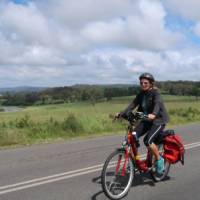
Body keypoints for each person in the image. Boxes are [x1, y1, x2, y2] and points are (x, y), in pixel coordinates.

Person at [117, 72, 169, 174]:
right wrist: (122, 113)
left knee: (148, 141)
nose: (143, 85)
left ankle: (159, 159)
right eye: (141, 83)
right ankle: (135, 164)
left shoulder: (155, 93)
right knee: (132, 137)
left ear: (151, 84)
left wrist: (153, 114)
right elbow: (132, 105)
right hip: (146, 119)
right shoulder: (141, 94)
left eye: (145, 83)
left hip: (158, 121)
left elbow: (157, 104)